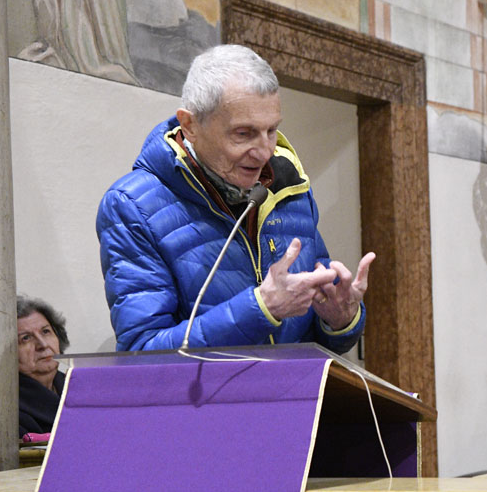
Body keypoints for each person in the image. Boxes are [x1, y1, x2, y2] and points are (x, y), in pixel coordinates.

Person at [97, 44, 374, 352]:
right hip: (206, 400)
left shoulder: (288, 186)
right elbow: (144, 353)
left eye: (271, 130)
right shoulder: (132, 205)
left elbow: (318, 335)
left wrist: (340, 320)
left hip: (294, 397)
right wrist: (261, 308)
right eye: (243, 134)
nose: (264, 151)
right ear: (190, 125)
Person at [17, 296, 69, 436]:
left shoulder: (78, 386)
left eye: (46, 331)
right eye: (25, 338)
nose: (43, 344)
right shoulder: (8, 410)